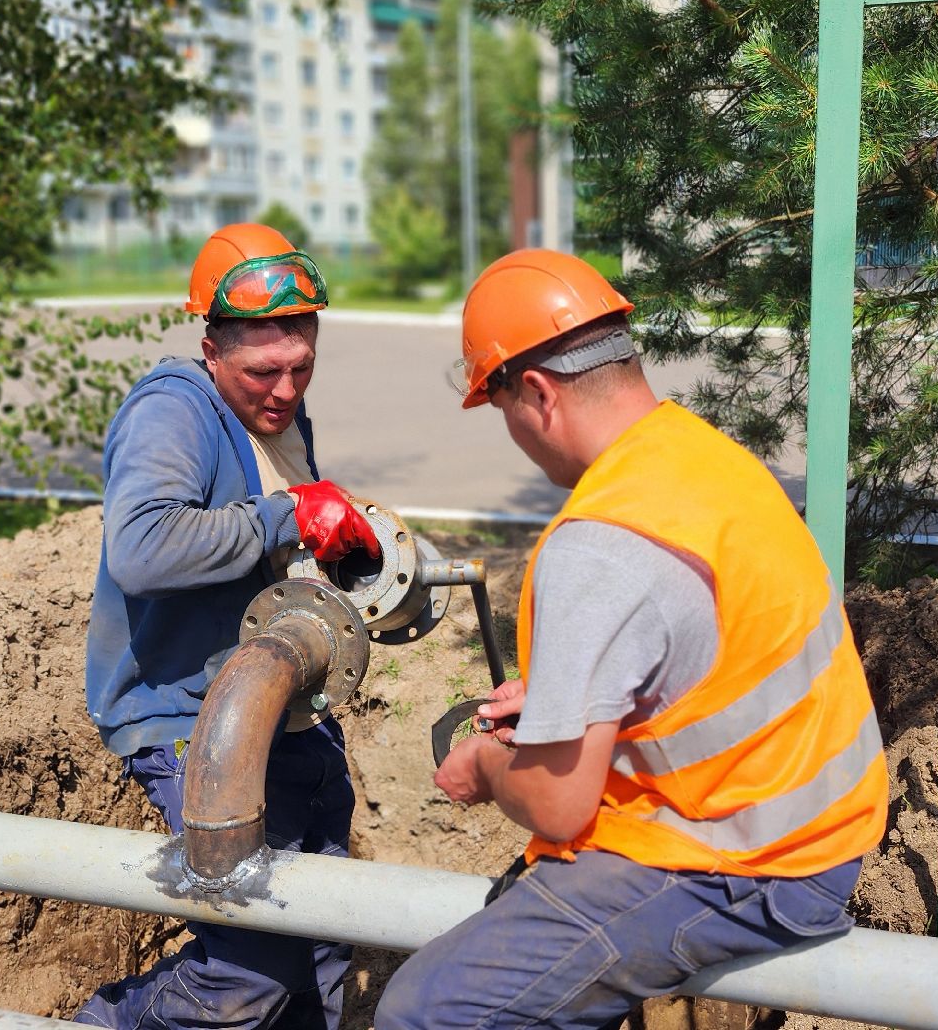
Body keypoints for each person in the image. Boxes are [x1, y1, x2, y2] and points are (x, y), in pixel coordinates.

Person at [375, 249, 891, 1030]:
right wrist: (565, 705)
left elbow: (555, 803)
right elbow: (690, 666)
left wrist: (485, 762)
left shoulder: (602, 541)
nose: (513, 432)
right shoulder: (697, 457)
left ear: (539, 394)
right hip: (814, 821)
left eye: (504, 407)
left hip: (745, 865)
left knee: (427, 1009)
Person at [77, 223, 377, 1030]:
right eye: (263, 372)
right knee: (246, 981)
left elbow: (276, 544)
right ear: (212, 349)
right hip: (189, 720)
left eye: (301, 365)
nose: (284, 390)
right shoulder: (173, 411)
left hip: (285, 711)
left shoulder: (281, 415)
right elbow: (141, 548)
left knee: (325, 948)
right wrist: (287, 517)